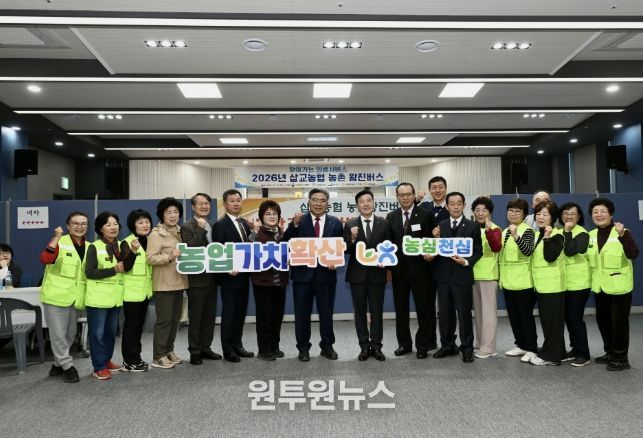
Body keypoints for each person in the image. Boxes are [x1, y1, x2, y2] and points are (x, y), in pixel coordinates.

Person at [283, 188, 344, 362]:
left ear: (327, 203)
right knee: (302, 315)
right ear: (308, 202)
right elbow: (286, 242)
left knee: (326, 314)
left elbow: (341, 246)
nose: (318, 203)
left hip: (326, 275)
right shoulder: (299, 221)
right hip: (302, 275)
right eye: (315, 200)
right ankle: (303, 348)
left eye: (322, 200)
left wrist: (336, 260)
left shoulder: (335, 223)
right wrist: (294, 225)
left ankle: (327, 346)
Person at [587, 198, 639, 371]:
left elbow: (633, 253)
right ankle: (610, 352)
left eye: (603, 211)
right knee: (604, 322)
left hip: (619, 287)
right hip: (600, 287)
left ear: (611, 214)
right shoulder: (591, 235)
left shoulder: (622, 232)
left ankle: (621, 358)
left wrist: (623, 235)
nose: (599, 215)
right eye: (595, 212)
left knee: (619, 324)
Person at [385, 182, 436, 359]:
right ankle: (404, 344)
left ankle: (423, 345)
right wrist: (388, 269)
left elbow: (431, 240)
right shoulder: (391, 216)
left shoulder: (425, 214)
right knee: (401, 310)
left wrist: (431, 254)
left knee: (424, 308)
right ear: (397, 197)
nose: (405, 197)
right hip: (399, 271)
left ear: (414, 195)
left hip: (421, 270)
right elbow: (389, 245)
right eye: (402, 195)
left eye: (408, 194)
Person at [430, 192, 482, 363]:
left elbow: (478, 251)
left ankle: (467, 348)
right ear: (447, 206)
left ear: (464, 205)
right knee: (445, 315)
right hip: (443, 277)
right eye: (452, 204)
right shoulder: (441, 225)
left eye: (459, 203)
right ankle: (447, 345)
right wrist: (435, 239)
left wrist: (466, 261)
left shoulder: (472, 226)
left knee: (464, 314)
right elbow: (436, 249)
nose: (456, 206)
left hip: (462, 276)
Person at [39, 211, 89, 383]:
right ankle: (68, 366)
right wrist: (56, 237)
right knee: (58, 334)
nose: (80, 226)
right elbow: (45, 258)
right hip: (55, 296)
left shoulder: (89, 246)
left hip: (75, 298)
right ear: (68, 226)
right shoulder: (60, 242)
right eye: (75, 223)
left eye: (83, 223)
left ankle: (57, 364)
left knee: (70, 334)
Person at [85, 211, 136, 380]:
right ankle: (99, 366)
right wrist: (112, 270)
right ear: (101, 229)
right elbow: (89, 272)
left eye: (115, 224)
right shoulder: (94, 246)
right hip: (98, 298)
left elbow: (126, 267)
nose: (113, 227)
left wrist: (133, 251)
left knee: (110, 333)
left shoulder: (122, 245)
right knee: (97, 334)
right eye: (108, 224)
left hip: (115, 298)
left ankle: (106, 360)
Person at [343, 189, 388, 361]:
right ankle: (363, 347)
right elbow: (345, 249)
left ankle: (376, 346)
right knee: (360, 312)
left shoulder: (383, 223)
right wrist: (352, 239)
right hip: (357, 275)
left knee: (377, 312)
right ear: (357, 205)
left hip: (377, 274)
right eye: (362, 201)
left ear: (374, 203)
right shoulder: (350, 224)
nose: (366, 204)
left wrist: (386, 261)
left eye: (369, 200)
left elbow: (390, 247)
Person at [213, 189, 254, 363]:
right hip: (229, 278)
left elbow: (248, 246)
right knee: (229, 314)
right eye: (232, 200)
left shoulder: (243, 223)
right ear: (225, 204)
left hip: (244, 276)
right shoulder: (220, 224)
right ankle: (228, 349)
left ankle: (238, 345)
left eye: (238, 200)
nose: (236, 203)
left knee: (240, 313)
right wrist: (227, 267)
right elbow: (218, 251)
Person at [147, 197, 188, 369]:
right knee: (164, 321)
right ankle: (158, 356)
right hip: (164, 284)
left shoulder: (181, 231)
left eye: (176, 212)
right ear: (162, 215)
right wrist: (170, 256)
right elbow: (150, 258)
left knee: (175, 320)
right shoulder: (156, 234)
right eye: (168, 212)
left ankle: (169, 350)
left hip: (179, 281)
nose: (172, 215)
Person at [180, 193, 221, 365]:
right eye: (200, 203)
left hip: (212, 277)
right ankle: (195, 351)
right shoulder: (187, 226)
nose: (204, 206)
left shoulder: (213, 224)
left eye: (207, 203)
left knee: (209, 316)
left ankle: (206, 347)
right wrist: (201, 229)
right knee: (196, 317)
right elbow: (190, 248)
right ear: (193, 207)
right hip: (197, 279)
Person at [249, 200, 289, 361]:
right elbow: (249, 255)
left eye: (275, 213)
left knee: (277, 316)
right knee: (264, 317)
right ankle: (264, 349)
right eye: (268, 214)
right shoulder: (255, 234)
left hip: (280, 281)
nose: (272, 216)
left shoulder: (283, 233)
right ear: (261, 217)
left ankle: (275, 346)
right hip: (262, 282)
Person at [499, 198, 538, 363]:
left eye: (517, 211)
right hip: (508, 281)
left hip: (523, 282)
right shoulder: (504, 231)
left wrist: (516, 236)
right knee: (514, 317)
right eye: (511, 210)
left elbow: (528, 251)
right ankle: (520, 344)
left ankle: (531, 348)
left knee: (525, 317)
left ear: (524, 214)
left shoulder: (527, 231)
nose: (513, 214)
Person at [529, 201, 566, 366]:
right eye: (538, 214)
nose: (540, 217)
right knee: (549, 322)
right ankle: (559, 352)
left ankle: (550, 357)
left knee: (552, 323)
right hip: (541, 285)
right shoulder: (539, 234)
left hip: (553, 286)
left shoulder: (557, 235)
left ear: (553, 217)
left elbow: (550, 257)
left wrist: (548, 237)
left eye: (545, 214)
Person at [120, 209, 154, 372]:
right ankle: (130, 361)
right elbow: (125, 266)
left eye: (147, 221)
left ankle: (136, 357)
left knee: (138, 327)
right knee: (131, 327)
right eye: (140, 222)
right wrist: (133, 251)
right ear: (133, 225)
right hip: (131, 293)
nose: (145, 225)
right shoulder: (127, 242)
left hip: (145, 292)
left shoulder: (149, 241)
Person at [559, 202, 591, 367]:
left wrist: (568, 232)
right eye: (565, 213)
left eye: (573, 214)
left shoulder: (582, 233)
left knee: (575, 318)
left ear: (579, 217)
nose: (569, 216)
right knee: (568, 318)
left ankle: (584, 354)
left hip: (579, 283)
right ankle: (575, 349)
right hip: (563, 283)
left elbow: (570, 251)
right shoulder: (559, 231)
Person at [471, 196, 502, 359]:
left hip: (488, 276)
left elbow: (496, 247)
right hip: (473, 275)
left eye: (484, 210)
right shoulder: (472, 227)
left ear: (490, 212)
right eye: (477, 210)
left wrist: (489, 231)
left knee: (488, 314)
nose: (480, 213)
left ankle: (489, 348)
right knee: (479, 313)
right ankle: (480, 343)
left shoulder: (495, 229)